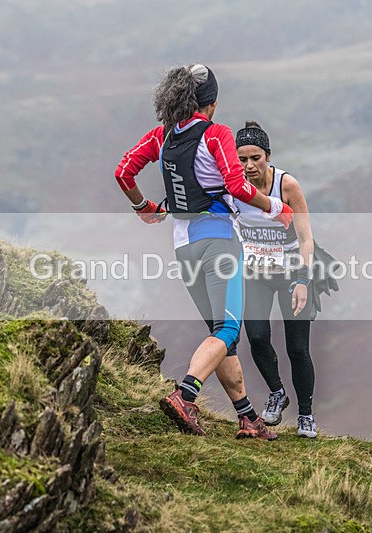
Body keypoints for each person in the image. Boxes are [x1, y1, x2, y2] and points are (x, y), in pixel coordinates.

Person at [114, 65, 293, 439]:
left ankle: (247, 418)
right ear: (210, 105)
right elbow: (237, 186)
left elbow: (123, 172)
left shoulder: (160, 136)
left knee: (219, 331)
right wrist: (276, 208)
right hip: (219, 243)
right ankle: (185, 395)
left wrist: (143, 206)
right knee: (228, 330)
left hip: (183, 246)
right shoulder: (215, 135)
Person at [234, 121, 319, 439]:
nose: (249, 165)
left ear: (268, 156)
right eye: (242, 159)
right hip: (256, 274)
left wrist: (302, 281)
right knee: (255, 337)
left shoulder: (287, 185)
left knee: (297, 348)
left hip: (292, 274)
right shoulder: (234, 186)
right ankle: (276, 392)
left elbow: (306, 238)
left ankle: (306, 415)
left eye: (255, 157)